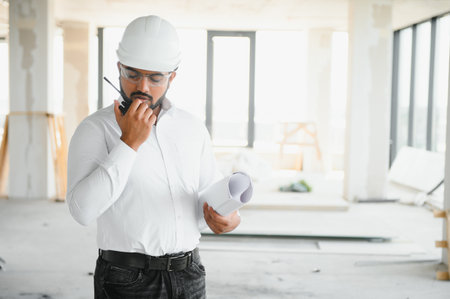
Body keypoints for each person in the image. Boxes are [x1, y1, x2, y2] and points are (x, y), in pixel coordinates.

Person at [66, 15, 241, 299]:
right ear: (118, 68)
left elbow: (207, 197)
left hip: (190, 273)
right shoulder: (95, 129)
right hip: (127, 280)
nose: (142, 88)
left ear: (172, 77)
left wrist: (229, 218)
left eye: (155, 77)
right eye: (132, 74)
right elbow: (81, 211)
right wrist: (129, 144)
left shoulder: (191, 127)